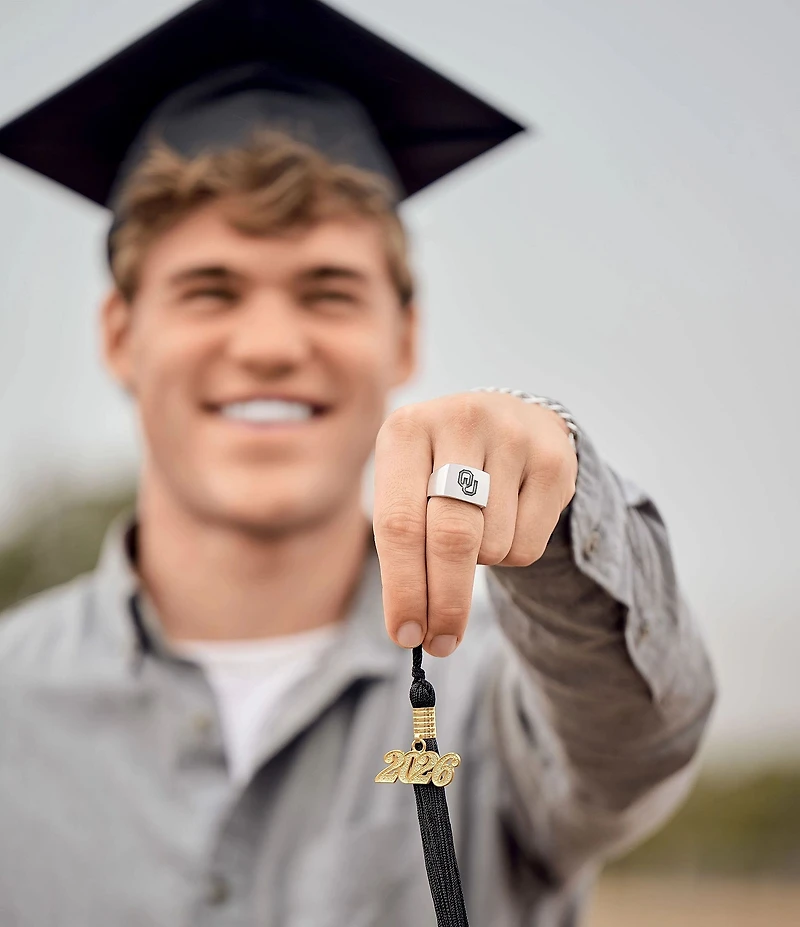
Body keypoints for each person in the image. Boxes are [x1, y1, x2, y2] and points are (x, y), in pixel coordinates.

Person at [0, 1, 715, 925]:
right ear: (118, 334)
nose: (267, 344)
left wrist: (561, 505)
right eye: (209, 288)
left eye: (328, 290)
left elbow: (640, 740)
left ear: (404, 335)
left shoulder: (502, 691)